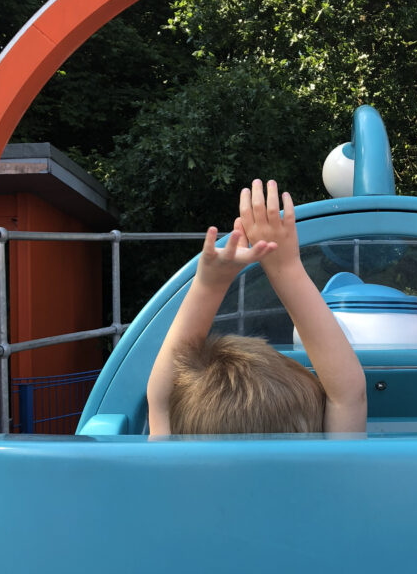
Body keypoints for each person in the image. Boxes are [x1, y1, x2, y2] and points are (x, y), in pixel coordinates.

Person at [146, 179, 368, 435]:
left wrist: (208, 287)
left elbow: (160, 400)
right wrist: (286, 268)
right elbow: (349, 395)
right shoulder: (332, 467)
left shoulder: (171, 465)